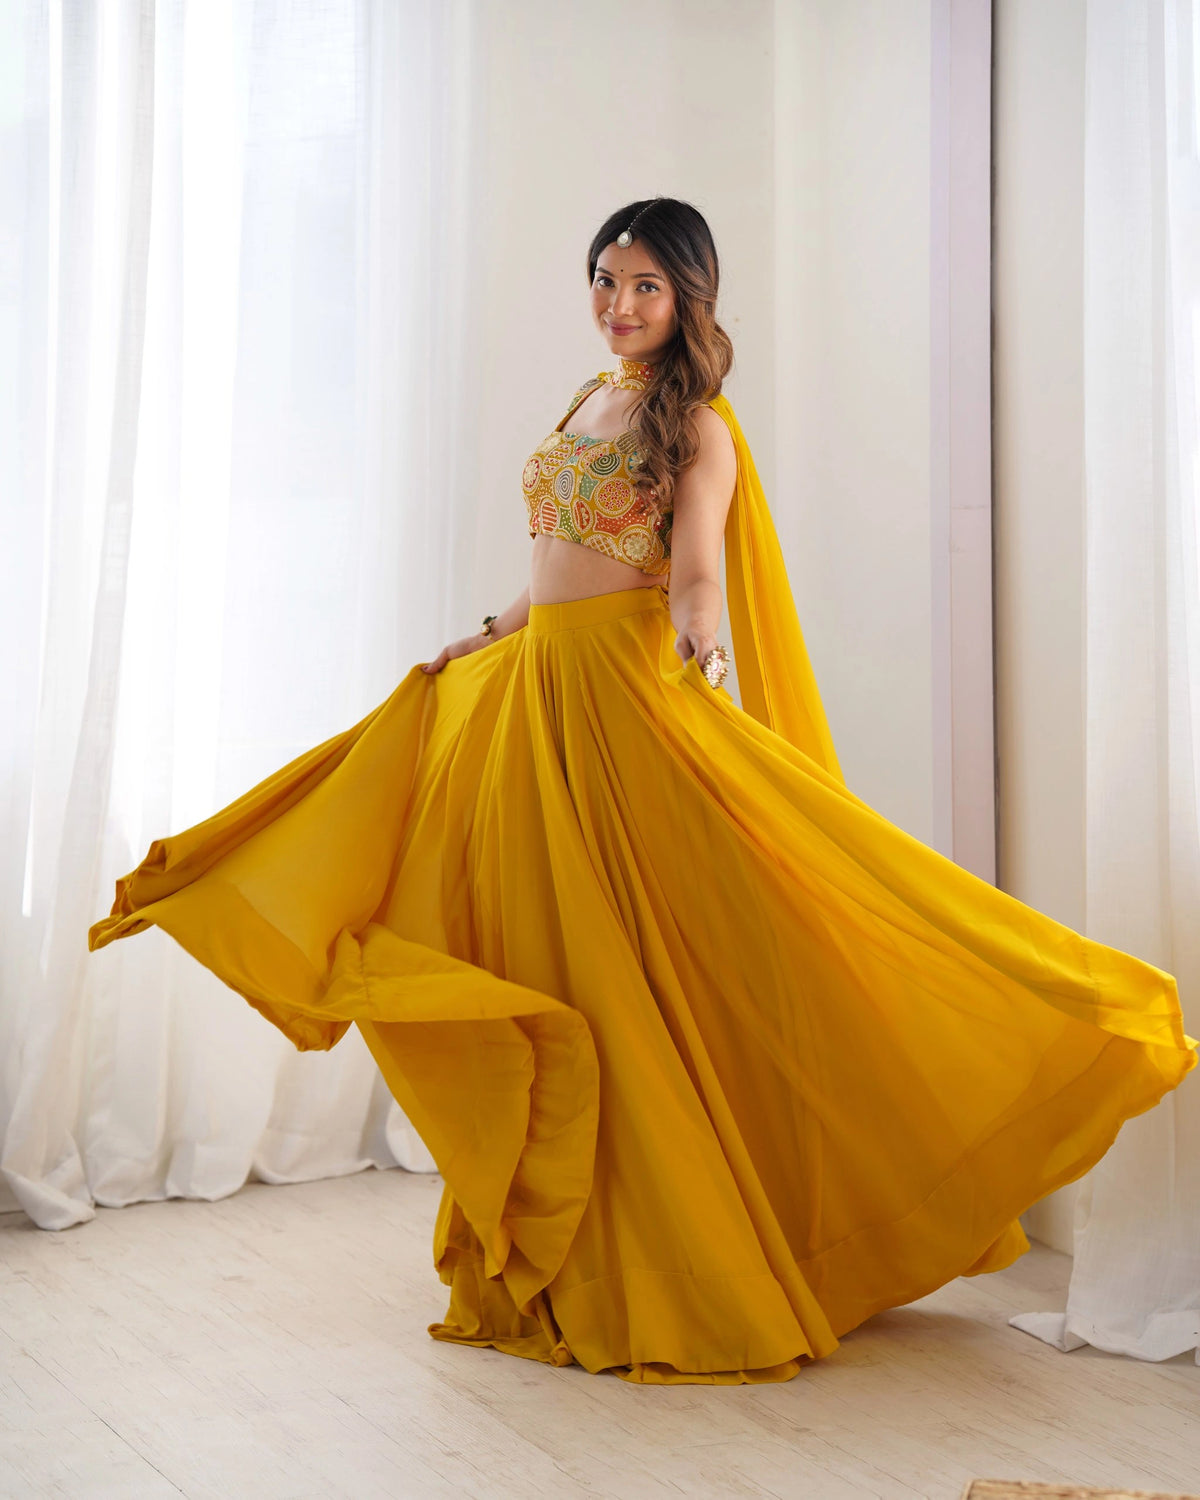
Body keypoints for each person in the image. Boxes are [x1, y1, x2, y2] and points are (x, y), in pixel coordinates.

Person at [88, 197, 1196, 1386]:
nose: (621, 305)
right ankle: (580, 1251)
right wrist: (486, 636)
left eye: (647, 287)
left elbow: (695, 576)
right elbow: (554, 558)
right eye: (607, 280)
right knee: (546, 951)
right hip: (535, 694)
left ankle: (690, 1250)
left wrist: (707, 684)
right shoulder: (587, 399)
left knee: (645, 971)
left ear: (690, 299)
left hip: (623, 704)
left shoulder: (700, 426)